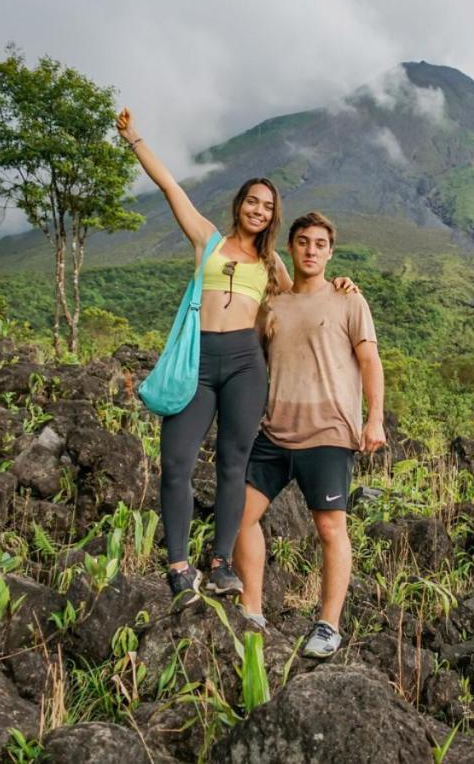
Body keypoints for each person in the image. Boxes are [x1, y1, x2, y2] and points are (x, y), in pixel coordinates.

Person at [115, 109, 357, 606]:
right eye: (252, 201)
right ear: (240, 205)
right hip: (199, 364)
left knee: (233, 465)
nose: (259, 211)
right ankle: (179, 565)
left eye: (268, 207)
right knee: (177, 463)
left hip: (246, 366)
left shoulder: (272, 265)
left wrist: (340, 286)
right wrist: (134, 137)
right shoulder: (208, 241)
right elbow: (170, 188)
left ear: (273, 216)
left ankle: (221, 563)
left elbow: (302, 301)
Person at [233, 211, 386, 658]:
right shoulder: (273, 306)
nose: (311, 250)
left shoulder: (348, 301)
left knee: (329, 527)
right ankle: (252, 611)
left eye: (320, 244)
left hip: (330, 432)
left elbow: (370, 362)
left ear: (330, 252)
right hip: (275, 431)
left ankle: (328, 625)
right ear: (292, 248)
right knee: (241, 515)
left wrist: (373, 418)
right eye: (303, 242)